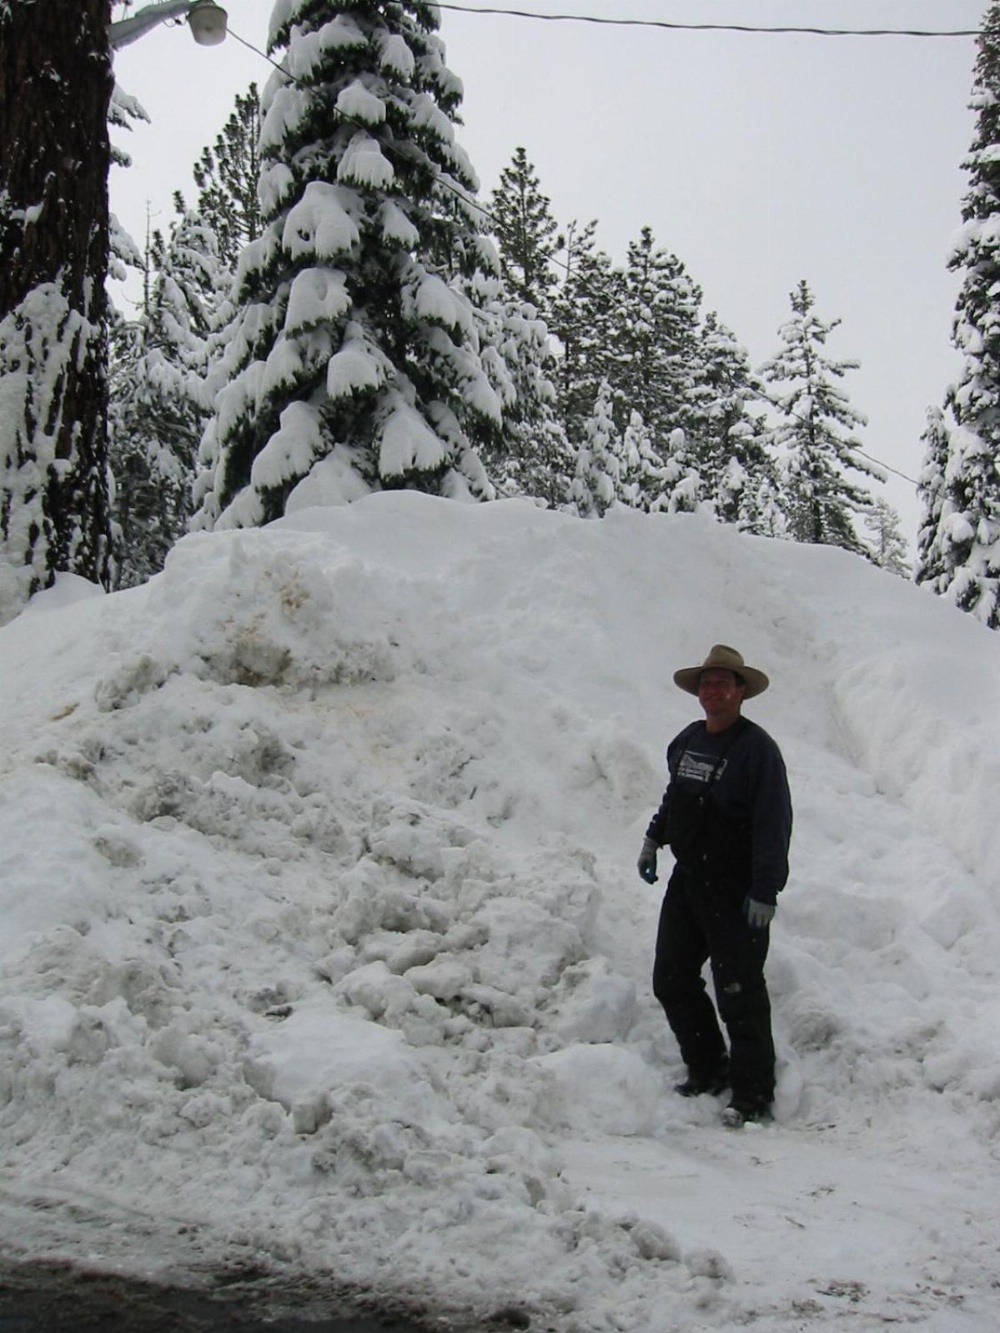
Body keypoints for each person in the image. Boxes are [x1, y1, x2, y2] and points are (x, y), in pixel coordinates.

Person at [637, 644, 792, 1128]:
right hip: (689, 882)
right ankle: (708, 1068)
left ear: (741, 692)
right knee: (672, 979)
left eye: (723, 682)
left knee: (739, 990)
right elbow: (677, 796)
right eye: (706, 683)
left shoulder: (757, 751)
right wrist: (653, 837)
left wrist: (766, 889)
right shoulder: (686, 741)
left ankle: (752, 1095)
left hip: (737, 889)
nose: (713, 690)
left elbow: (774, 822)